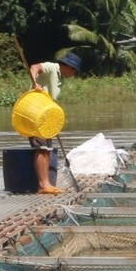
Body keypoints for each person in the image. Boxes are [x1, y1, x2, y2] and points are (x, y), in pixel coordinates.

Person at [24, 51, 82, 194]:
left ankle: (46, 184)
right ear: (66, 66)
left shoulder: (61, 78)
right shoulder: (52, 68)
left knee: (47, 149)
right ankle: (43, 185)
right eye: (73, 69)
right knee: (41, 148)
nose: (74, 73)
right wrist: (35, 82)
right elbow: (34, 67)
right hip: (35, 112)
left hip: (45, 116)